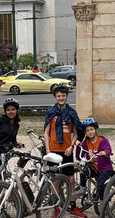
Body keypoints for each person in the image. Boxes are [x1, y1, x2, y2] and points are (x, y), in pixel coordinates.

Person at [44, 84, 86, 218]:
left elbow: (76, 133)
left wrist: (72, 146)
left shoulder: (71, 112)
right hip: (54, 149)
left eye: (63, 95)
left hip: (67, 150)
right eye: (58, 96)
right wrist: (48, 150)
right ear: (55, 97)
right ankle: (55, 207)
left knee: (71, 179)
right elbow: (46, 133)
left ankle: (73, 206)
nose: (61, 98)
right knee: (54, 180)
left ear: (66, 96)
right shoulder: (51, 112)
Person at [73, 118, 113, 207]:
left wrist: (104, 152)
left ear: (96, 130)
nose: (90, 132)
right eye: (87, 131)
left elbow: (108, 149)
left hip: (104, 168)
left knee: (100, 184)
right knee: (83, 171)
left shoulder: (103, 140)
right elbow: (79, 155)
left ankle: (103, 201)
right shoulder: (86, 142)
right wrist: (78, 147)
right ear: (85, 133)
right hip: (93, 167)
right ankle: (83, 189)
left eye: (91, 129)